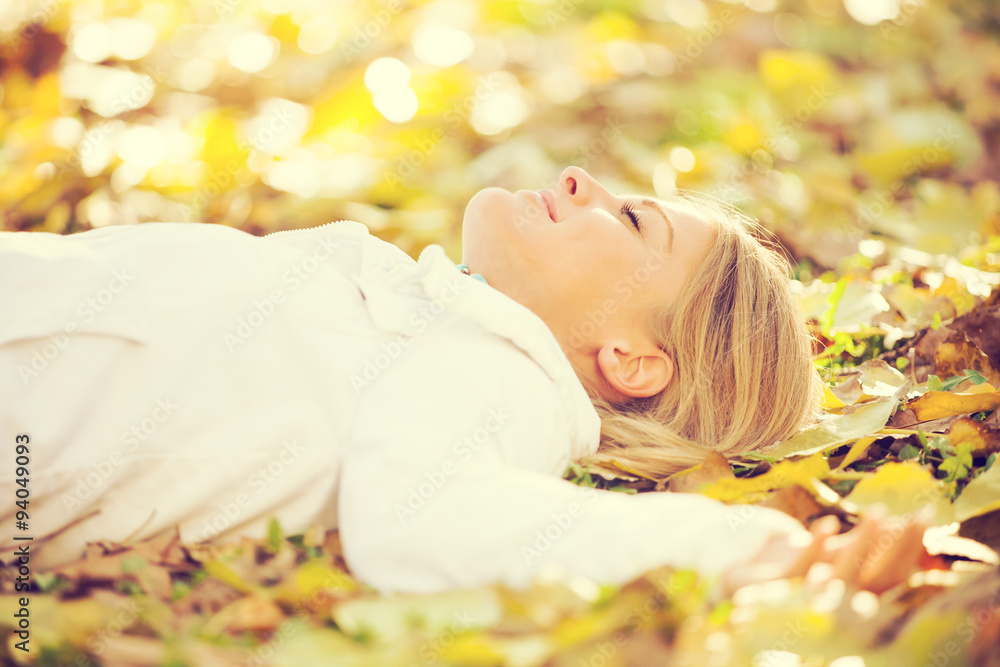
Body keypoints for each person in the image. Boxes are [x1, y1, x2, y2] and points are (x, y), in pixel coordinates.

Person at [0, 166, 929, 598]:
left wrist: (752, 548)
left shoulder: (501, 373)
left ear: (633, 360)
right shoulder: (426, 313)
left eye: (631, 221)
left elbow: (429, 517)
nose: (583, 179)